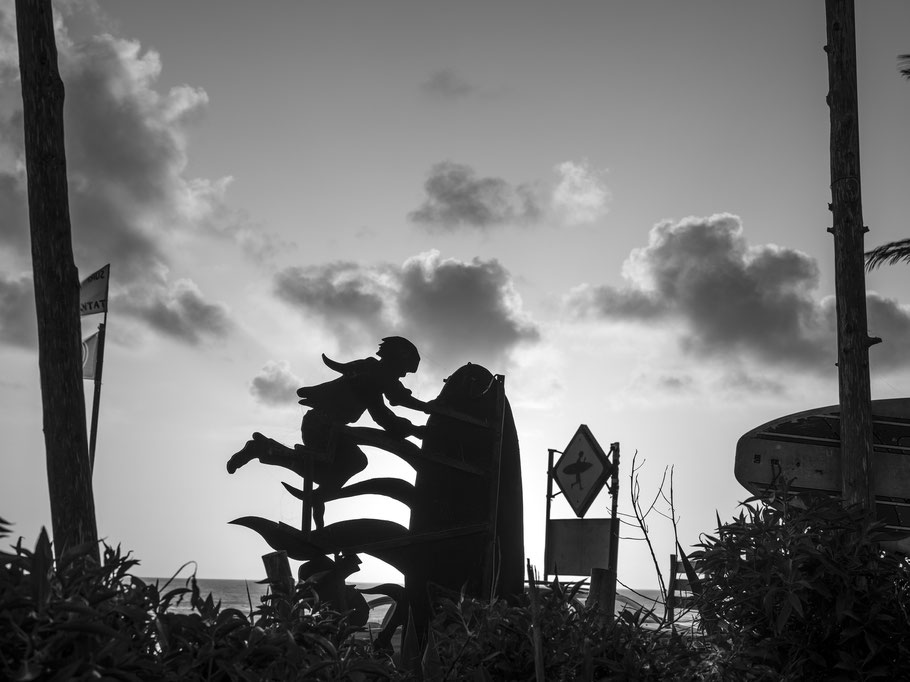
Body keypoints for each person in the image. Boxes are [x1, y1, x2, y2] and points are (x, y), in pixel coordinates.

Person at [227, 337, 428, 529]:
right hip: (324, 426)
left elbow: (392, 405)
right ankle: (271, 453)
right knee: (353, 462)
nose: (403, 376)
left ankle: (274, 456)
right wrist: (415, 425)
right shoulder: (371, 376)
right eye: (404, 370)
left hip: (324, 425)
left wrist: (414, 424)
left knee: (334, 468)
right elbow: (385, 412)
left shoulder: (369, 372)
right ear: (395, 361)